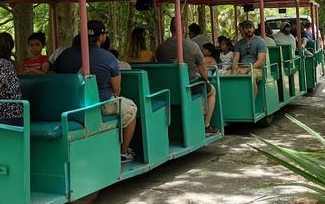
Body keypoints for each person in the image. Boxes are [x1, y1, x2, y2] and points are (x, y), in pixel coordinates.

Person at [53, 21, 138, 162]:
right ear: (102, 37)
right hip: (100, 104)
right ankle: (123, 152)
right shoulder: (108, 58)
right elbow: (117, 89)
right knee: (131, 109)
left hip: (67, 104)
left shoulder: (65, 55)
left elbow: (53, 75)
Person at [155, 18, 218, 135]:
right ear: (183, 29)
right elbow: (203, 69)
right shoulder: (193, 46)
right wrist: (207, 81)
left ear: (170, 29)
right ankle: (206, 125)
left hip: (166, 88)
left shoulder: (161, 47)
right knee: (212, 91)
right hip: (189, 86)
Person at [232, 20, 267, 97]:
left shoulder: (261, 42)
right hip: (241, 67)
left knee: (250, 76)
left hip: (256, 69)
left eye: (250, 27)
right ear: (243, 29)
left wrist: (247, 70)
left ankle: (252, 103)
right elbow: (235, 59)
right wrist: (234, 72)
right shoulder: (239, 43)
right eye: (246, 28)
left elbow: (260, 61)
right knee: (226, 77)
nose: (249, 30)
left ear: (254, 29)